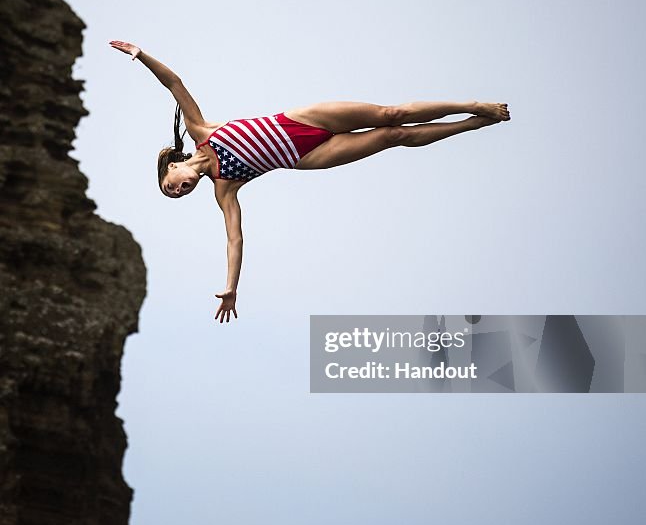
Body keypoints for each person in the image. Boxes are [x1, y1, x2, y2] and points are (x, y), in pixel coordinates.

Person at [110, 40, 511, 323]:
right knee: (394, 138)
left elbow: (174, 83)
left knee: (391, 114)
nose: (180, 190)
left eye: (172, 184)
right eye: (177, 195)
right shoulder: (223, 186)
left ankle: (472, 104)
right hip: (306, 156)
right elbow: (235, 238)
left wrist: (141, 55)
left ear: (175, 165)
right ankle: (472, 125)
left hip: (304, 121)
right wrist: (231, 287)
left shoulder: (200, 129)